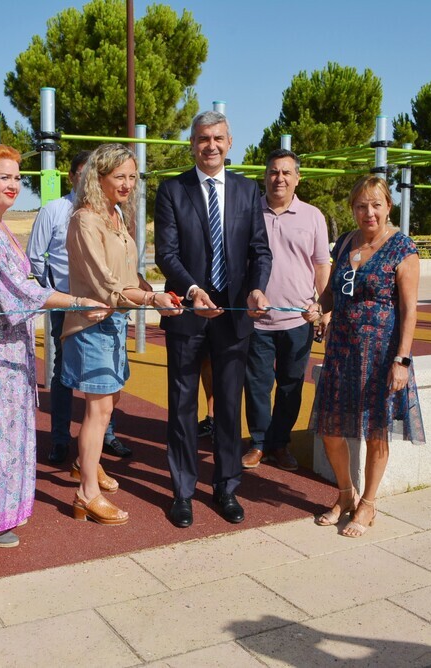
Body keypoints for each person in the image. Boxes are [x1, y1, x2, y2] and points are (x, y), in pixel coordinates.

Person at [0, 144, 108, 548]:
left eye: (16, 177)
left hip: (7, 341)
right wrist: (76, 300)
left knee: (9, 427)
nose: (12, 184)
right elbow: (19, 290)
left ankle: (1, 510)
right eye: (3, 177)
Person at [154, 110, 272, 528]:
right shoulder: (172, 190)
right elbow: (166, 253)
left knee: (228, 406)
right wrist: (192, 290)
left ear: (230, 142)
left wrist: (258, 288)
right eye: (203, 139)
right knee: (182, 407)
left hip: (235, 316)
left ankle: (226, 487)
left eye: (218, 138)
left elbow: (260, 250)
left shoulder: (246, 190)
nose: (211, 146)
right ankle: (183, 492)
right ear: (192, 144)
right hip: (189, 313)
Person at [62, 143, 182, 525]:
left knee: (108, 404)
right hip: (92, 323)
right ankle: (86, 494)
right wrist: (150, 297)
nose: (128, 184)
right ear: (99, 178)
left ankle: (88, 462)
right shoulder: (86, 220)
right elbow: (105, 284)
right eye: (120, 177)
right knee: (97, 411)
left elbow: (129, 277)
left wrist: (156, 290)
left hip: (114, 322)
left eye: (132, 177)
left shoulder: (117, 217)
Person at [306, 175, 425, 537]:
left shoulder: (403, 248)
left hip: (381, 353)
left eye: (375, 205)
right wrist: (319, 307)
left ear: (388, 206)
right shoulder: (345, 243)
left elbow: (410, 310)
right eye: (361, 205)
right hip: (341, 349)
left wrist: (401, 360)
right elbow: (331, 294)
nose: (368, 212)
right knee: (330, 429)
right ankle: (345, 494)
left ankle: (368, 504)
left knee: (376, 432)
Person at [27, 150, 133, 464]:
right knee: (62, 375)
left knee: (106, 383)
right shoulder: (57, 210)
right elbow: (36, 256)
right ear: (75, 176)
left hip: (108, 304)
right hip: (69, 302)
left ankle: (104, 439)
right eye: (85, 172)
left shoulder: (115, 212)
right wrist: (58, 293)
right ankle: (60, 440)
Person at [242, 149, 331, 471]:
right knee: (256, 386)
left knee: (291, 385)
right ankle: (259, 443)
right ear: (265, 177)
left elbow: (322, 265)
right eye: (273, 172)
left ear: (297, 178)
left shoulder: (313, 216)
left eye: (286, 173)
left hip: (298, 319)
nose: (279, 178)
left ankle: (280, 443)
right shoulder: (250, 213)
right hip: (257, 320)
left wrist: (324, 307)